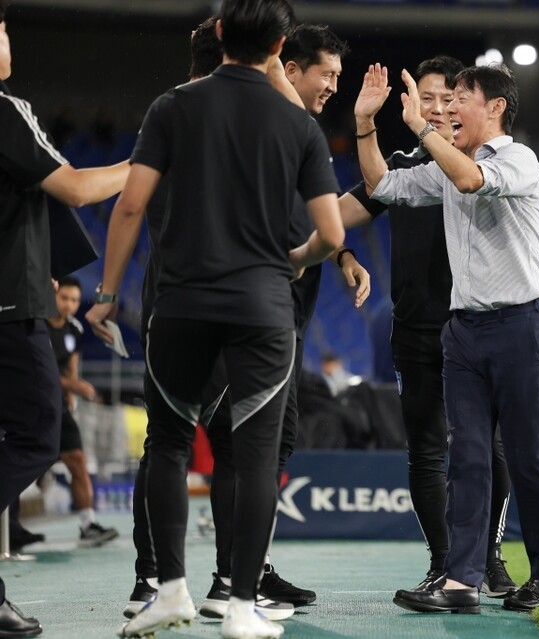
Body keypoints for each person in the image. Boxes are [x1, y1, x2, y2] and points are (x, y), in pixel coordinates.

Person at [86, 2, 345, 638]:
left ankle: (166, 589)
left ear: (221, 33)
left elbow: (129, 208)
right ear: (281, 44)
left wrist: (106, 292)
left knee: (170, 445)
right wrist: (291, 261)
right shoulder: (298, 125)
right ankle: (239, 606)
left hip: (178, 303)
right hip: (261, 308)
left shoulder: (172, 106)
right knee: (254, 456)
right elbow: (331, 235)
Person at [356, 62, 539, 613]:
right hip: (464, 331)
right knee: (468, 458)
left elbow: (471, 180)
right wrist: (365, 125)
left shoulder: (517, 159)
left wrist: (424, 130)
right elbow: (382, 185)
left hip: (520, 325)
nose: (448, 109)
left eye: (459, 100)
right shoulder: (449, 164)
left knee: (526, 457)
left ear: (495, 106)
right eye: (444, 102)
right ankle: (461, 580)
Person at [336, 55, 517, 598]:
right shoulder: (403, 169)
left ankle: (488, 558)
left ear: (464, 104)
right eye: (427, 99)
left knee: (488, 448)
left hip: (475, 325)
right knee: (426, 451)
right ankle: (444, 563)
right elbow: (338, 212)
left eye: (447, 99)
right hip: (415, 330)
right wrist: (343, 253)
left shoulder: (481, 166)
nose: (437, 109)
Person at [0, 1, 129, 634]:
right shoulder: (3, 109)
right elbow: (76, 187)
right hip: (6, 307)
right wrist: (146, 164)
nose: (8, 42)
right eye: (2, 30)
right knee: (37, 432)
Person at [44, 276, 119, 544]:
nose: (70, 304)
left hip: (60, 409)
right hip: (34, 407)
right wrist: (73, 385)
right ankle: (12, 525)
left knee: (77, 460)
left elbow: (70, 369)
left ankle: (89, 524)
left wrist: (71, 396)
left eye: (75, 300)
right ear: (53, 296)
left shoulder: (74, 330)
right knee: (31, 464)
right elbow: (40, 373)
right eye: (64, 298)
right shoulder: (36, 327)